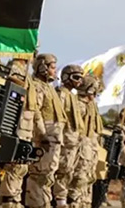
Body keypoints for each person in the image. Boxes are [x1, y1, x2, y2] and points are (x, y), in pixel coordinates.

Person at [25, 54, 67, 208]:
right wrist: (42, 135)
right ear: (43, 67)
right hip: (44, 139)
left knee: (48, 175)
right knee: (40, 175)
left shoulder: (50, 88)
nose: (55, 71)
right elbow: (36, 112)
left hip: (54, 139)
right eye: (52, 67)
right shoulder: (36, 86)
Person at [0, 58, 38, 208]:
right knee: (13, 165)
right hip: (17, 123)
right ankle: (8, 201)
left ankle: (14, 199)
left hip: (26, 126)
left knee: (21, 165)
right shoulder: (15, 69)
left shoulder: (27, 74)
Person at [68, 76, 104, 208]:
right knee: (77, 181)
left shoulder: (91, 107)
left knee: (88, 181)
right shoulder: (78, 105)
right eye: (95, 90)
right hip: (81, 152)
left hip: (90, 153)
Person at [53, 64, 84, 207]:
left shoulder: (73, 97)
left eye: (81, 78)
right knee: (60, 170)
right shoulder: (60, 94)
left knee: (68, 171)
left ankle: (62, 199)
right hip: (63, 140)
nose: (79, 81)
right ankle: (58, 200)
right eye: (76, 77)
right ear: (66, 77)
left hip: (73, 142)